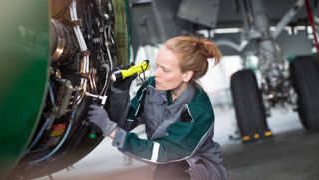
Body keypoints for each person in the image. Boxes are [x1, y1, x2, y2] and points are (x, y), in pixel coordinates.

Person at [88, 35, 227, 180]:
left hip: (199, 170)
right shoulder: (152, 87)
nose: (157, 74)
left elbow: (163, 152)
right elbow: (124, 124)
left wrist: (110, 130)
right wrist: (120, 92)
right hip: (166, 165)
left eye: (165, 70)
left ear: (186, 75)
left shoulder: (198, 111)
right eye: (157, 66)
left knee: (170, 170)